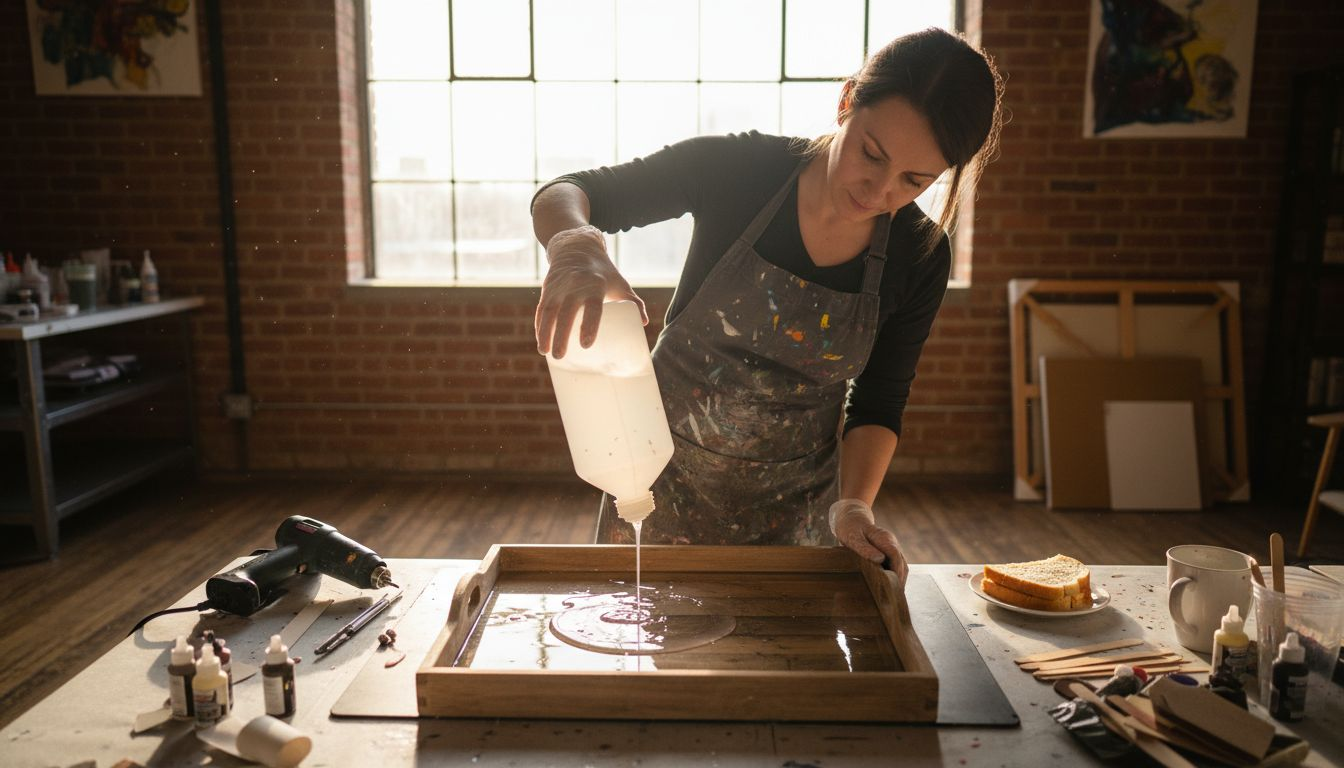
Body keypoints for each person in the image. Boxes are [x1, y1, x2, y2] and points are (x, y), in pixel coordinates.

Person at [530, 28, 1003, 586]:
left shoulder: (919, 254)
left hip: (797, 516)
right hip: (652, 490)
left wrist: (855, 506)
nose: (878, 191)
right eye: (871, 154)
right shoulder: (742, 171)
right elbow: (570, 190)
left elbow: (880, 400)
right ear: (847, 101)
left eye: (914, 181)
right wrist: (575, 246)